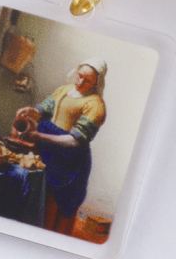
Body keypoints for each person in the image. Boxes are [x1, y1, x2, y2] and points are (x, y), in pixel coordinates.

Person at [15, 58, 107, 235]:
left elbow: (76, 140)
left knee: (54, 204)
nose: (80, 82)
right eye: (80, 76)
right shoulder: (64, 90)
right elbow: (43, 110)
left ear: (96, 82)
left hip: (69, 160)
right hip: (47, 151)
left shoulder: (96, 105)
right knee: (36, 192)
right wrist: (29, 111)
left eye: (87, 80)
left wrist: (39, 136)